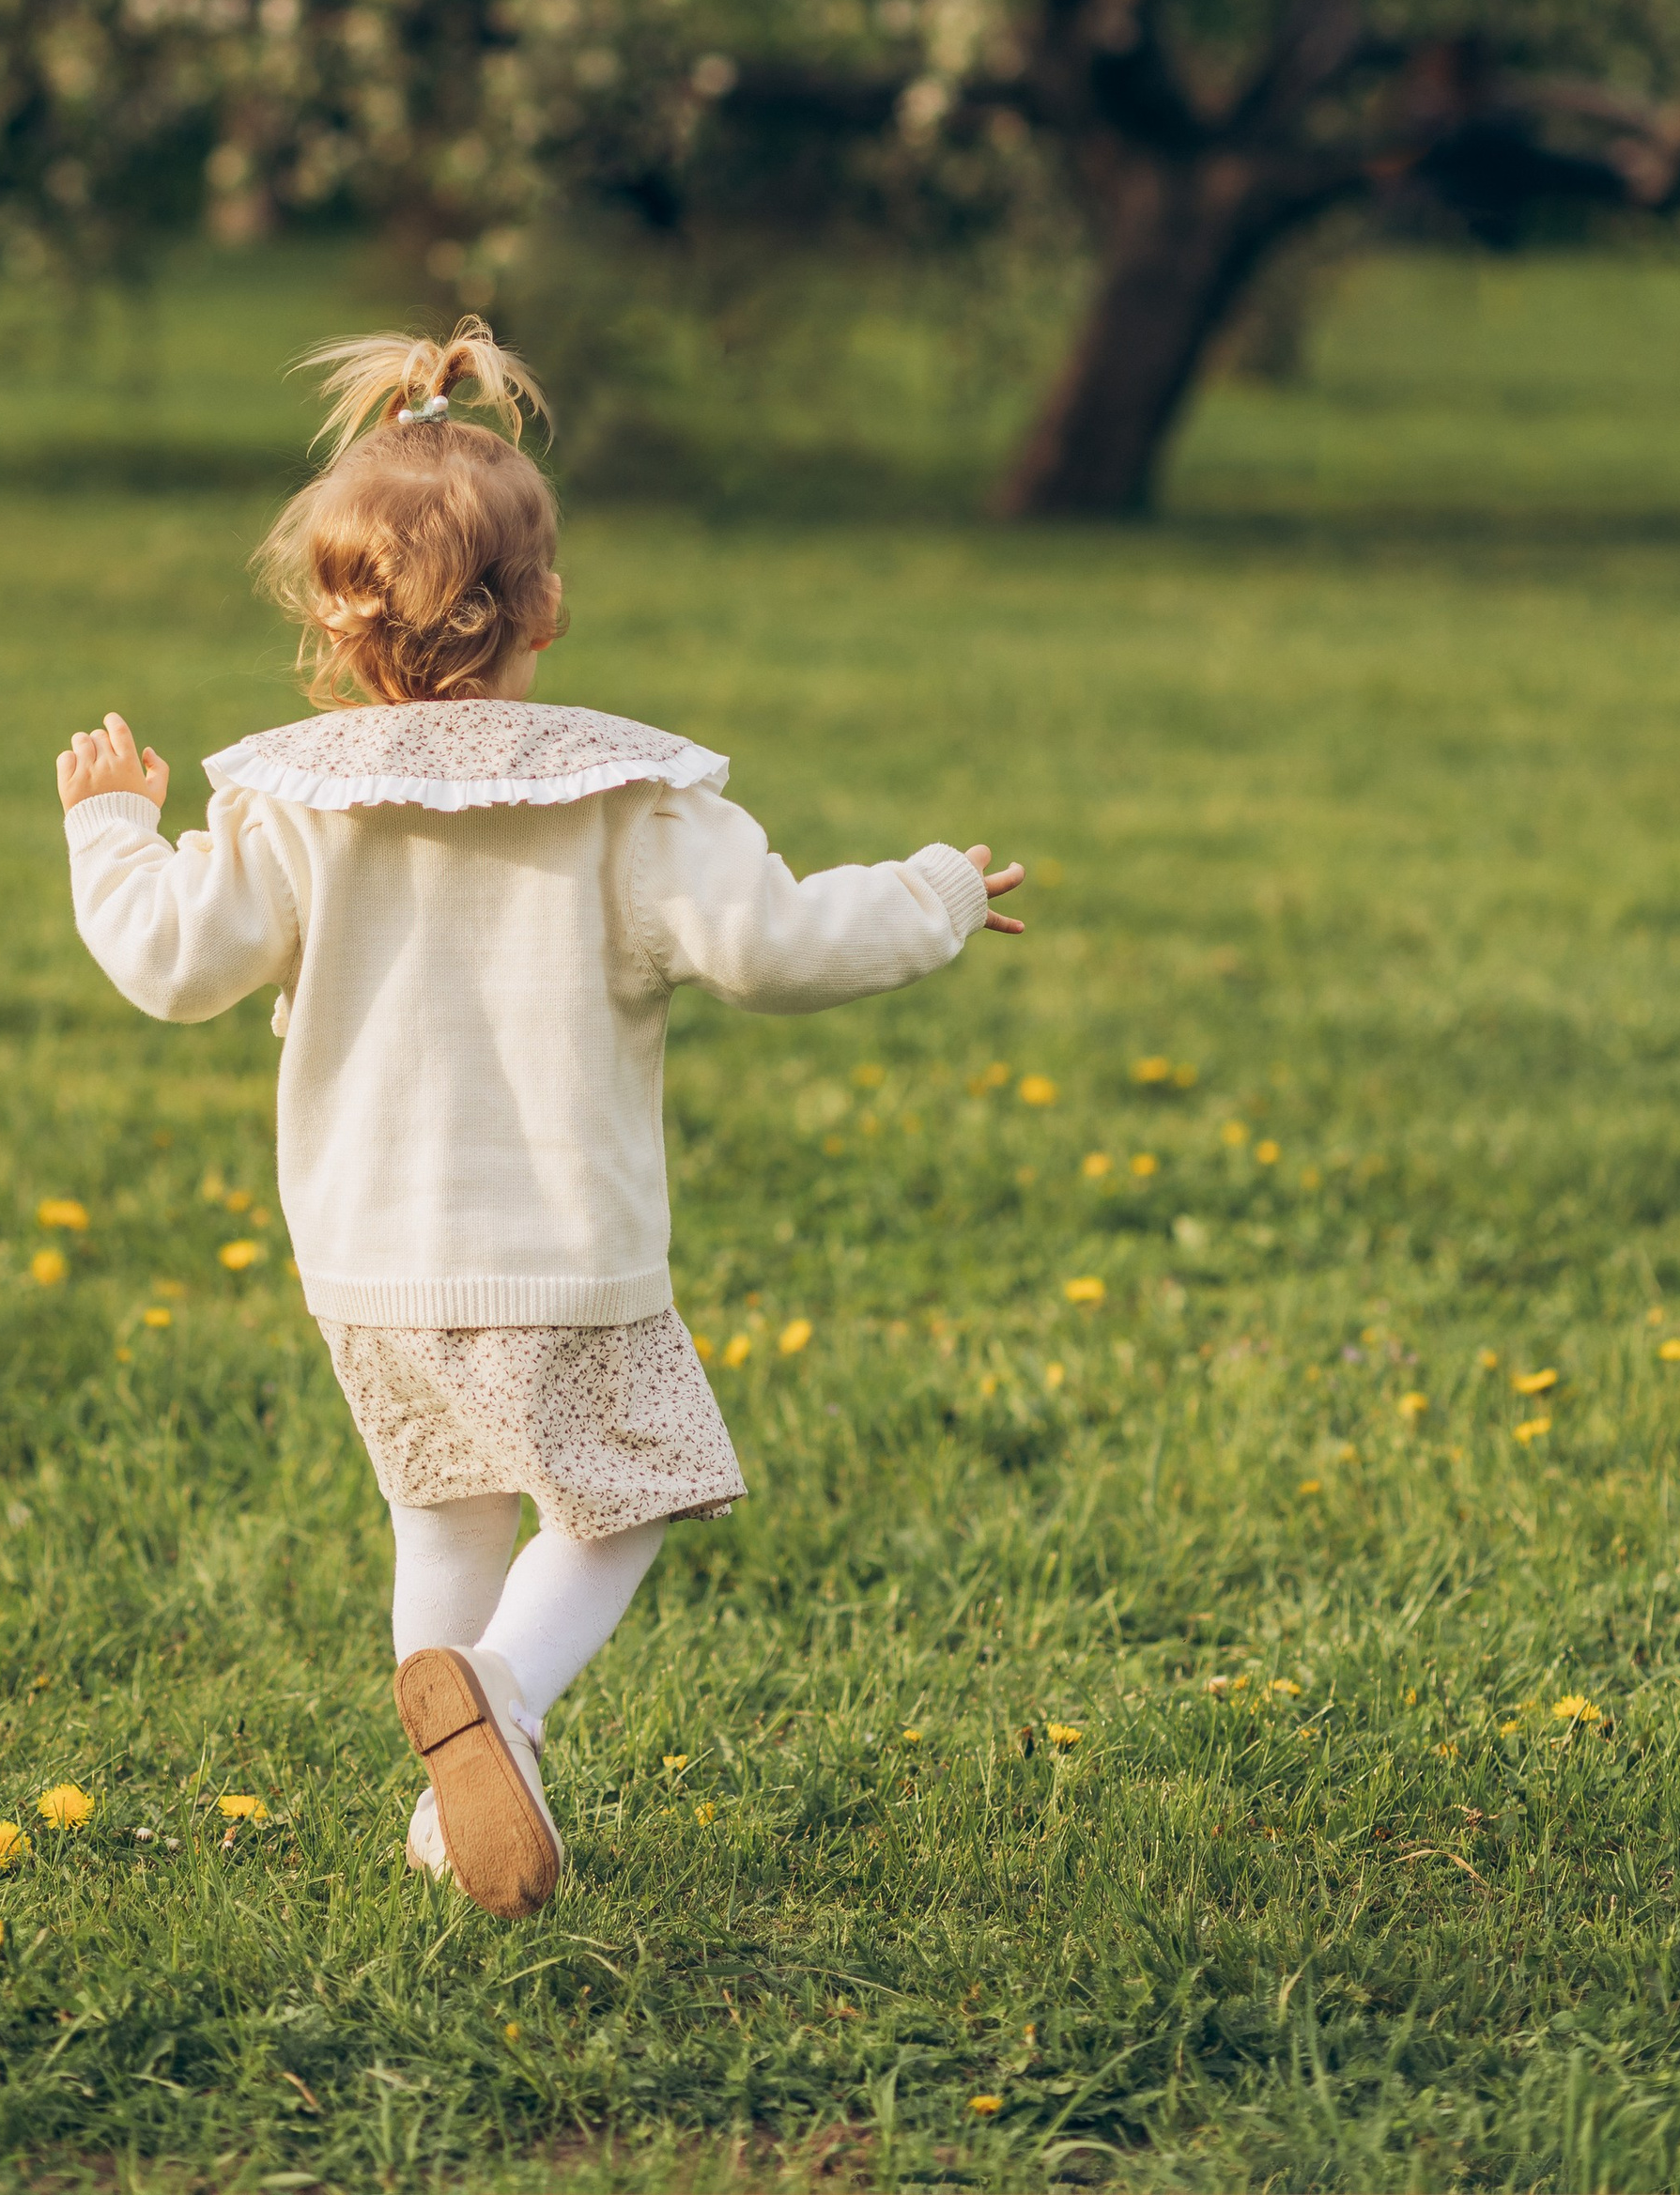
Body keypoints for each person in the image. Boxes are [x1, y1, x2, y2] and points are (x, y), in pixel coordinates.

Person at [54, 319, 1025, 1918]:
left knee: (441, 1518)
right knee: (631, 1498)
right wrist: (928, 895)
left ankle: (454, 1825)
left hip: (369, 1263)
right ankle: (497, 1700)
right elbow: (775, 948)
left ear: (332, 619)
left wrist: (109, 826)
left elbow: (169, 964)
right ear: (548, 608)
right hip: (563, 1256)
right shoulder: (626, 804)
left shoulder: (290, 806)